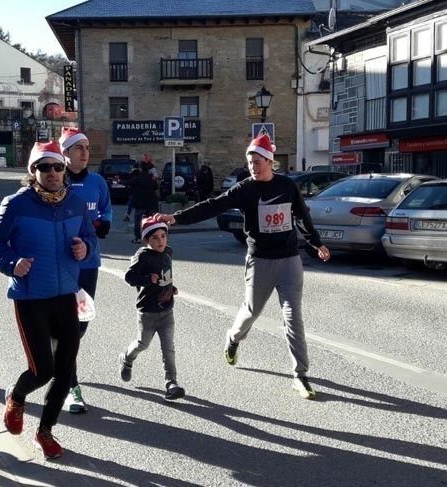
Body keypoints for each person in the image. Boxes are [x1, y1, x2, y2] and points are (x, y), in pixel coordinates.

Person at [153, 134, 330, 399]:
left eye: (258, 161)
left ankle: (300, 374)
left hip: (290, 261)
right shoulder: (245, 189)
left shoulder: (287, 186)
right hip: (260, 261)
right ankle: (233, 339)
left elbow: (302, 217)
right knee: (251, 312)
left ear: (270, 161)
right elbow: (212, 206)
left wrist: (316, 244)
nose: (253, 167)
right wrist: (176, 218)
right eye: (250, 162)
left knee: (293, 318)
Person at [0, 141, 97, 460]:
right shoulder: (16, 203)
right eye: (44, 167)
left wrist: (85, 249)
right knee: (42, 370)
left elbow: (90, 238)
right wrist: (12, 263)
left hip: (66, 296)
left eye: (57, 166)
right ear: (33, 172)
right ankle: (17, 397)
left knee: (64, 371)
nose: (52, 173)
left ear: (64, 170)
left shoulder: (75, 203)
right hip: (31, 297)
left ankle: (45, 431)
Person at [59, 127, 112, 414]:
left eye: (87, 147)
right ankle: (71, 386)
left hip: (89, 264)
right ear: (65, 153)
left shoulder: (98, 182)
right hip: (62, 266)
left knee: (81, 323)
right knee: (67, 328)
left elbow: (106, 210)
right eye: (78, 147)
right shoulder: (55, 180)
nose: (84, 152)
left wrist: (104, 223)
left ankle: (59, 362)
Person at [119, 217, 185, 401]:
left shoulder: (168, 253)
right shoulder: (142, 256)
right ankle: (127, 358)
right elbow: (129, 277)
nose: (160, 241)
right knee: (143, 344)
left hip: (166, 310)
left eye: (163, 236)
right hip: (147, 312)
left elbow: (166, 277)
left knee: (168, 348)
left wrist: (171, 289)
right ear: (147, 239)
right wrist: (148, 279)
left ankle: (171, 383)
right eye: (155, 238)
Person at [129, 160, 159, 244]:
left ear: (140, 169)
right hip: (150, 203)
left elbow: (130, 184)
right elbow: (156, 187)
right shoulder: (151, 177)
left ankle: (138, 238)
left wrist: (133, 173)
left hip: (140, 203)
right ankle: (151, 237)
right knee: (151, 221)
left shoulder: (137, 177)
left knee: (138, 221)